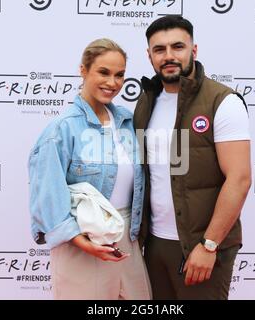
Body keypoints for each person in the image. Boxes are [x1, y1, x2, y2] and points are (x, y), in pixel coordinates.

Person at [133, 15, 252, 300]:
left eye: (178, 47)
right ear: (149, 56)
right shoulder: (146, 101)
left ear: (193, 51)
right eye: (159, 50)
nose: (169, 56)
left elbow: (240, 179)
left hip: (202, 247)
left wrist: (209, 244)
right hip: (155, 244)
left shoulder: (222, 101)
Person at [28, 38, 151, 300]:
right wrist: (81, 242)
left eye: (119, 75)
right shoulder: (62, 129)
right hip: (81, 242)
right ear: (83, 70)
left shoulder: (127, 123)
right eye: (103, 72)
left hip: (126, 240)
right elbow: (47, 195)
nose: (112, 83)